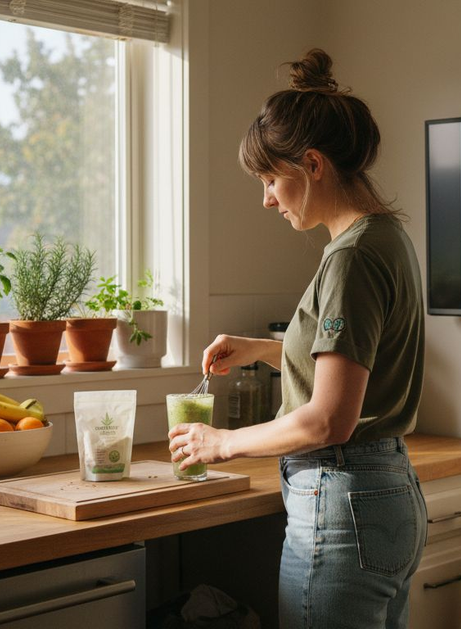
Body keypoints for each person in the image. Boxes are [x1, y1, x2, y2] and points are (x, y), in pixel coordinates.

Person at [167, 49, 427, 628]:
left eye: (269, 179)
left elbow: (327, 421)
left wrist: (219, 444)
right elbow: (361, 354)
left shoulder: (351, 258)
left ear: (311, 164)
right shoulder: (385, 237)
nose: (266, 198)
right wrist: (264, 350)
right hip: (387, 494)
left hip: (343, 497)